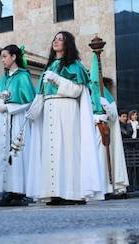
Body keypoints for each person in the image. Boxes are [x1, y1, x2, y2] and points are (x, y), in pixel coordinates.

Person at [36, 30, 100, 205]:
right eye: (54, 39)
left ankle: (72, 192)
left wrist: (57, 79)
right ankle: (55, 192)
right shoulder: (49, 66)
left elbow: (77, 90)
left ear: (67, 44)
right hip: (50, 109)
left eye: (60, 40)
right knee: (51, 151)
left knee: (67, 150)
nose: (56, 42)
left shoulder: (74, 66)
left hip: (66, 109)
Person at [0, 43, 37, 206]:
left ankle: (19, 191)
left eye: (4, 56)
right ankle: (6, 189)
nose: (2, 60)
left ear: (14, 57)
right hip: (2, 122)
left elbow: (30, 101)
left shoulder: (23, 77)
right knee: (3, 154)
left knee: (17, 156)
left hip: (17, 121)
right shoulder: (3, 78)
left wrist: (9, 107)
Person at [88, 64, 128, 198]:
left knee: (104, 162)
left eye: (95, 82)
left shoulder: (107, 96)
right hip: (91, 134)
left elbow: (113, 116)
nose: (93, 85)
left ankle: (108, 188)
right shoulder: (87, 95)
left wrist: (106, 105)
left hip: (104, 134)